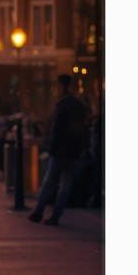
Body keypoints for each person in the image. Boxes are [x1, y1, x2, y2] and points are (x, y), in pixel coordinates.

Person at [29, 74, 90, 226]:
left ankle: (39, 211)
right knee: (65, 184)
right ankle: (56, 215)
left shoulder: (61, 104)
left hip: (59, 151)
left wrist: (51, 147)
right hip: (74, 151)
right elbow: (84, 129)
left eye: (59, 86)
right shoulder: (80, 105)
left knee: (50, 181)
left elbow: (56, 130)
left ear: (64, 86)